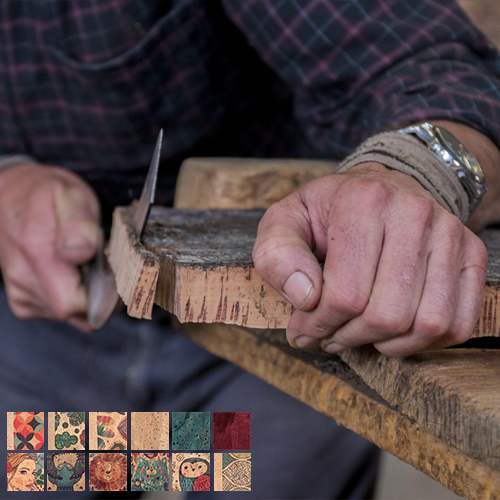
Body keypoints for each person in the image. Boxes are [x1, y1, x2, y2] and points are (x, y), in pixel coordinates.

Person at [0, 1, 500, 498]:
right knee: (44, 473)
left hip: (260, 333)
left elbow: (419, 61)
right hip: (44, 339)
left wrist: (414, 168)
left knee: (263, 470)